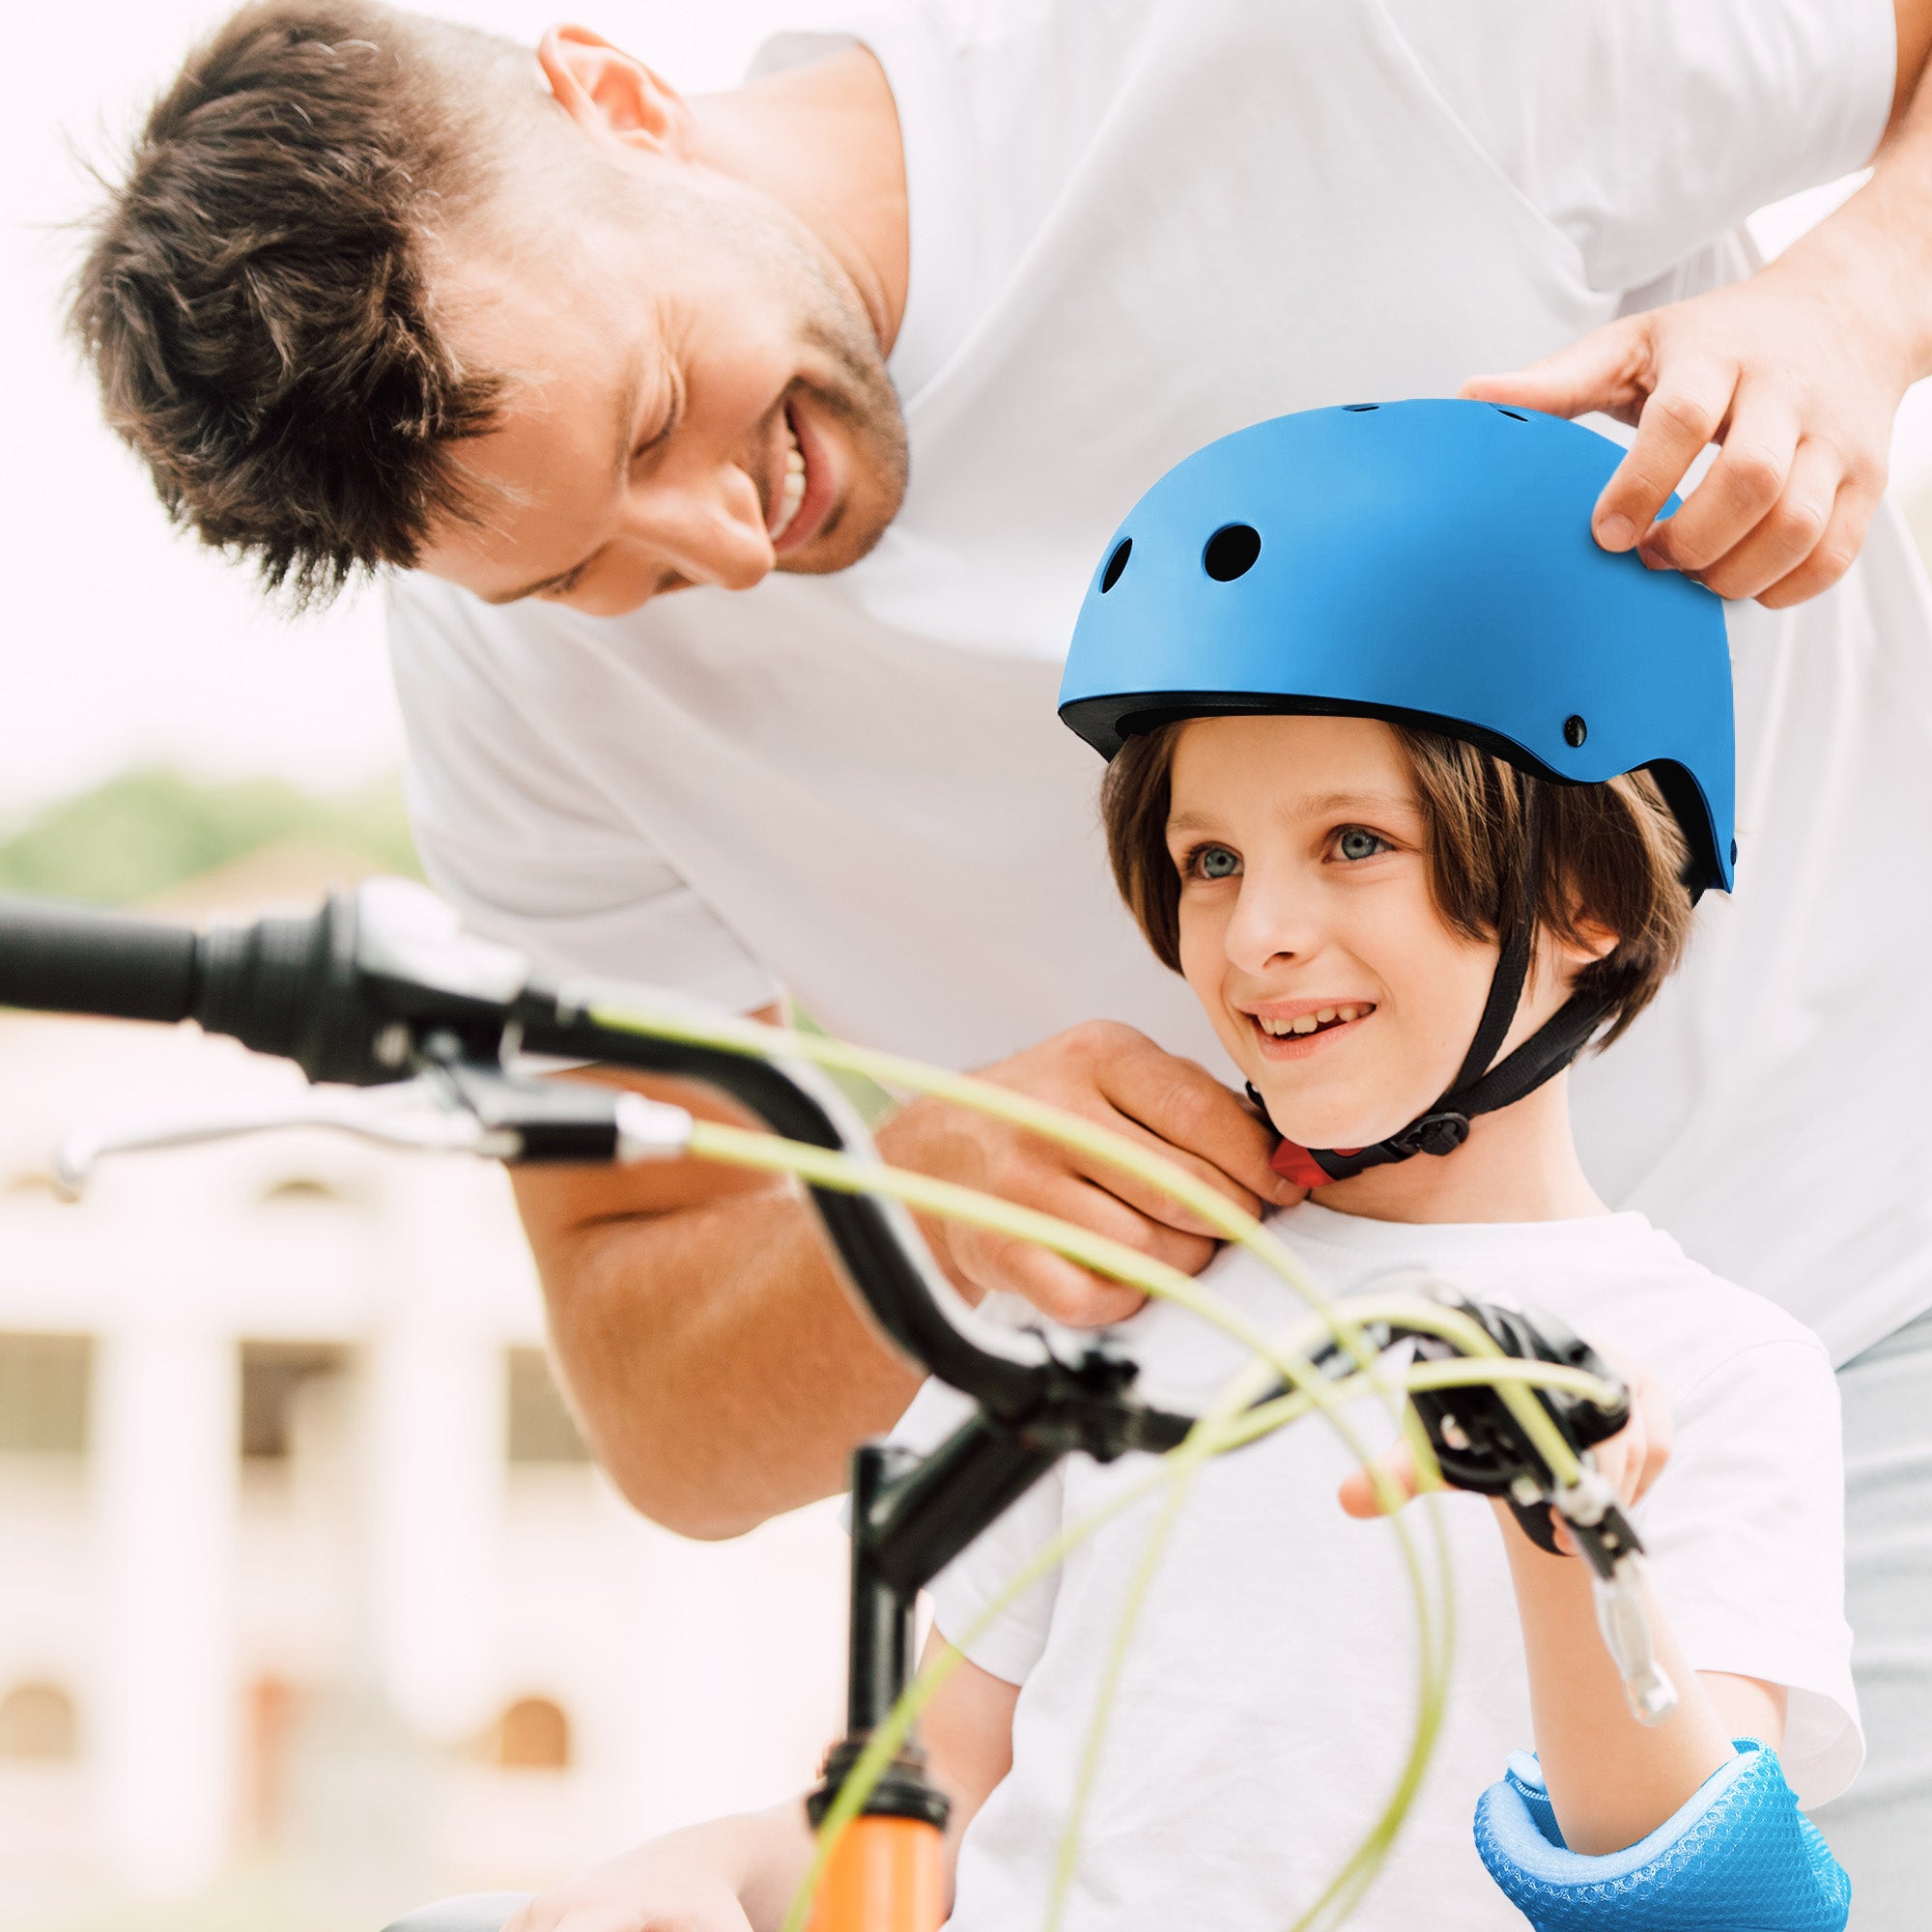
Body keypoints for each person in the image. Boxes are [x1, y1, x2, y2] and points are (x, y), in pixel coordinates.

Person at [71, 0, 1932, 1897]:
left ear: (615, 92)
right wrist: (917, 1200)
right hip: (1207, 1353)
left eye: (651, 412)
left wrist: (1854, 308)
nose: (712, 552)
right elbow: (677, 1422)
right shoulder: (511, 672)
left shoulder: (1335, 51)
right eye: (582, 572)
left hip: (1861, 1270)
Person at [493, 405, 1860, 1932]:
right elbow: (915, 1810)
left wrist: (1571, 1539)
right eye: (1211, 860)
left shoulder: (1718, 1373)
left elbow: (1710, 1908)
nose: (1257, 930)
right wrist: (710, 1875)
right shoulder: (1096, 1295)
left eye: (1353, 843)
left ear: (1593, 892)